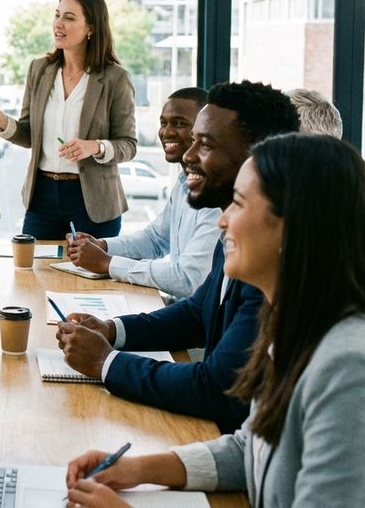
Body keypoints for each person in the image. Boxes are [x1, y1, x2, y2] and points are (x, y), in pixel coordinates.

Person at [64, 133, 365, 508]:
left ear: (293, 226)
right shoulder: (292, 327)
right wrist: (138, 469)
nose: (222, 222)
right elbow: (251, 448)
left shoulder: (346, 366)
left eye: (238, 205)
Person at [55, 81, 300, 434]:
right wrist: (113, 330)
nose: (187, 155)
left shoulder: (269, 261)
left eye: (206, 144)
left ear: (256, 158)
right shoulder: (232, 231)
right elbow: (196, 313)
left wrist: (107, 363)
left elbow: (218, 388)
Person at [0, 0, 136, 239]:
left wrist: (94, 147)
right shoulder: (40, 70)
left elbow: (128, 145)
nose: (58, 23)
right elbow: (28, 135)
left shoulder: (115, 78)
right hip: (42, 196)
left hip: (93, 202)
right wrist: (0, 119)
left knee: (89, 277)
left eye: (69, 17)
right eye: (57, 15)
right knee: (32, 273)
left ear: (91, 28)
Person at [66, 88, 219, 299]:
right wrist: (102, 246)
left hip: (192, 320)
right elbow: (155, 239)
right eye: (163, 123)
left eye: (180, 123)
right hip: (178, 309)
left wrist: (107, 263)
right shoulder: (183, 183)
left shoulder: (215, 198)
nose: (166, 132)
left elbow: (187, 279)